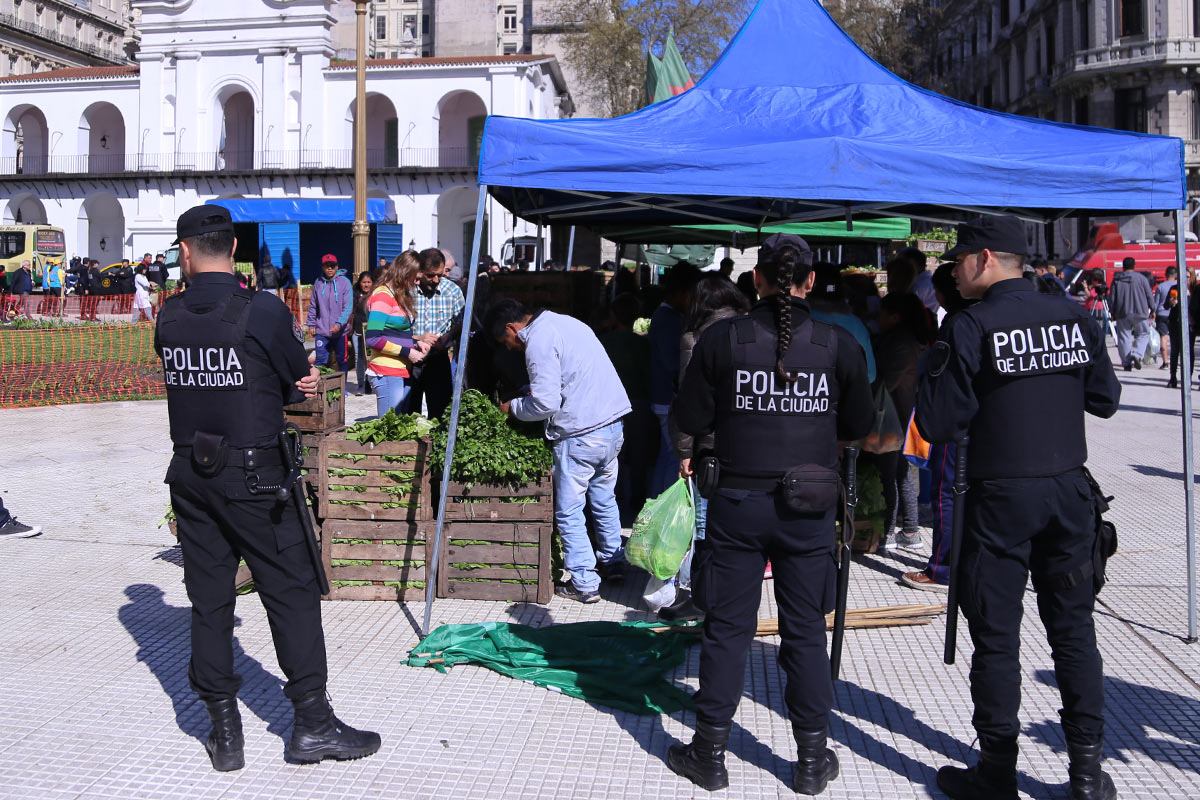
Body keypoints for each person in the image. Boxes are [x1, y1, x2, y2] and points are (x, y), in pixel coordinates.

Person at [155, 204, 380, 772]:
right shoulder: (262, 310)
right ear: (233, 249)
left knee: (209, 602)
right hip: (255, 479)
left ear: (185, 251)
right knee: (291, 590)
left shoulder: (170, 316)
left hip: (190, 475)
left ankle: (223, 731)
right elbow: (293, 382)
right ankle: (312, 723)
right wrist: (296, 377)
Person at [914, 215, 1121, 800]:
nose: (952, 271)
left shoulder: (971, 325)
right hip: (1068, 496)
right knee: (1075, 632)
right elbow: (1105, 400)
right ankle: (1085, 775)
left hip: (1001, 499)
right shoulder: (1076, 316)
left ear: (983, 260)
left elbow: (937, 423)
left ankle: (998, 773)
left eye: (958, 261)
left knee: (998, 638)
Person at [669, 233, 873, 794]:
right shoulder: (837, 345)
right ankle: (811, 761)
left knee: (727, 629)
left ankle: (709, 753)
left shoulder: (722, 340)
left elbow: (690, 414)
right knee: (805, 630)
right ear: (810, 282)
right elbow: (860, 427)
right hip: (808, 511)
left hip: (736, 504)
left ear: (755, 280)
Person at [486, 298, 633, 604]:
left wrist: (511, 408)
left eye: (506, 340)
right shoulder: (568, 322)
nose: (511, 348)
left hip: (581, 434)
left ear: (512, 327)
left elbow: (545, 403)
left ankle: (584, 582)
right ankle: (613, 562)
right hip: (612, 426)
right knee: (604, 497)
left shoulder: (538, 341)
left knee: (569, 511)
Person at [662, 274, 750, 621]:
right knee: (734, 524)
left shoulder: (696, 337)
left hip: (708, 445)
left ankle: (698, 597)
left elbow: (689, 401)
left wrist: (684, 453)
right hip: (747, 443)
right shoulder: (752, 330)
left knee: (702, 525)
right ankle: (725, 598)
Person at [902, 262, 973, 592]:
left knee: (947, 493)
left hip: (954, 425)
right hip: (982, 425)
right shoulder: (978, 320)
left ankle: (942, 568)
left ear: (942, 294)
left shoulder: (957, 326)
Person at [874, 291, 931, 550]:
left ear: (895, 317)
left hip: (895, 416)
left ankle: (890, 532)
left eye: (881, 313)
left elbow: (890, 381)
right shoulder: (909, 340)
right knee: (901, 473)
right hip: (904, 415)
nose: (877, 318)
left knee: (892, 474)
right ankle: (908, 530)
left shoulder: (900, 343)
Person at [648, 263, 701, 498]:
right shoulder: (668, 319)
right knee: (674, 457)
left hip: (661, 396)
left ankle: (654, 503)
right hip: (667, 398)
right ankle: (664, 508)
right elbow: (673, 363)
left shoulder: (666, 316)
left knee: (666, 454)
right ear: (681, 292)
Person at [365, 252, 429, 416]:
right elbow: (372, 339)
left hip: (401, 369)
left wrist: (415, 343)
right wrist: (408, 352)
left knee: (399, 426)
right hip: (387, 370)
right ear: (404, 273)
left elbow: (393, 333)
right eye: (415, 278)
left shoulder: (398, 295)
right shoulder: (383, 296)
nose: (416, 283)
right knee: (389, 429)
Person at [409, 248, 466, 421]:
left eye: (440, 275)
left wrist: (449, 336)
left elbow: (462, 323)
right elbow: (395, 328)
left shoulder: (453, 291)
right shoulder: (409, 290)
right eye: (430, 275)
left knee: (440, 413)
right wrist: (418, 339)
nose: (436, 280)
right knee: (409, 415)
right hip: (410, 359)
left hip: (438, 358)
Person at [306, 254, 352, 372]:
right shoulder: (318, 283)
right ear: (323, 268)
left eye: (332, 266)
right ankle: (320, 389)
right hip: (322, 331)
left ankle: (343, 388)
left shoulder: (345, 283)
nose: (330, 268)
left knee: (342, 360)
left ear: (337, 267)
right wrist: (311, 325)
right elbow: (313, 305)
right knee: (320, 361)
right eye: (327, 266)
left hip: (340, 332)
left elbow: (348, 307)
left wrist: (339, 324)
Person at [1108, 256, 1153, 370]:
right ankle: (1137, 354)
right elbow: (1149, 295)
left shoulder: (1117, 280)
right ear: (1134, 266)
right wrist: (1153, 309)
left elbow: (1112, 298)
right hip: (1140, 311)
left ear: (1123, 266)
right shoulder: (1142, 279)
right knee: (1143, 334)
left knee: (1124, 337)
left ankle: (1126, 363)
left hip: (1122, 312)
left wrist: (1112, 311)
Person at [351, 270, 374, 395]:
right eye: (364, 282)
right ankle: (360, 385)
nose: (366, 285)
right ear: (359, 283)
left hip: (371, 332)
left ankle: (368, 384)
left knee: (370, 359)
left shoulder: (375, 295)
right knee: (358, 359)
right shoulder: (354, 295)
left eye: (368, 282)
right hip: (358, 332)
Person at [1153, 266, 1178, 371]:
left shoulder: (1161, 286)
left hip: (1161, 314)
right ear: (1176, 275)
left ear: (1166, 274)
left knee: (1163, 337)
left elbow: (1156, 302)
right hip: (1174, 314)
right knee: (1174, 338)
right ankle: (1174, 360)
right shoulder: (1178, 285)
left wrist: (1153, 313)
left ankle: (1165, 362)